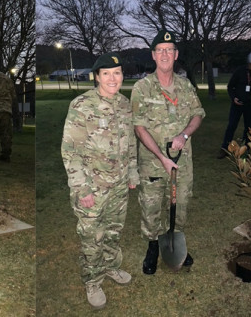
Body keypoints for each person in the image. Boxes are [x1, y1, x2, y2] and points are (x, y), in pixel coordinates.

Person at [61, 52, 139, 309]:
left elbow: (130, 144)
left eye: (117, 73)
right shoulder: (82, 105)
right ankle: (92, 280)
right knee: (92, 237)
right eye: (106, 73)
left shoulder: (125, 104)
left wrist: (132, 172)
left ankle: (110, 268)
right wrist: (81, 188)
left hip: (118, 185)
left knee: (114, 231)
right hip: (92, 187)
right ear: (96, 77)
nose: (112, 78)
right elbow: (70, 151)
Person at [130, 30, 205, 275]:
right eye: (160, 50)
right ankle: (153, 245)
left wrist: (184, 135)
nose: (164, 54)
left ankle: (175, 240)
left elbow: (198, 114)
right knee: (151, 207)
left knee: (180, 203)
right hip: (153, 163)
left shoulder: (185, 86)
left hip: (182, 162)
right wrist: (162, 158)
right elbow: (139, 127)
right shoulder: (142, 88)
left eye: (169, 49)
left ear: (176, 55)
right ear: (153, 55)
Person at [217, 51, 251, 159]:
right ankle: (225, 148)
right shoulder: (240, 71)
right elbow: (230, 87)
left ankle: (247, 150)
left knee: (249, 129)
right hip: (237, 105)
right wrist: (233, 98)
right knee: (231, 126)